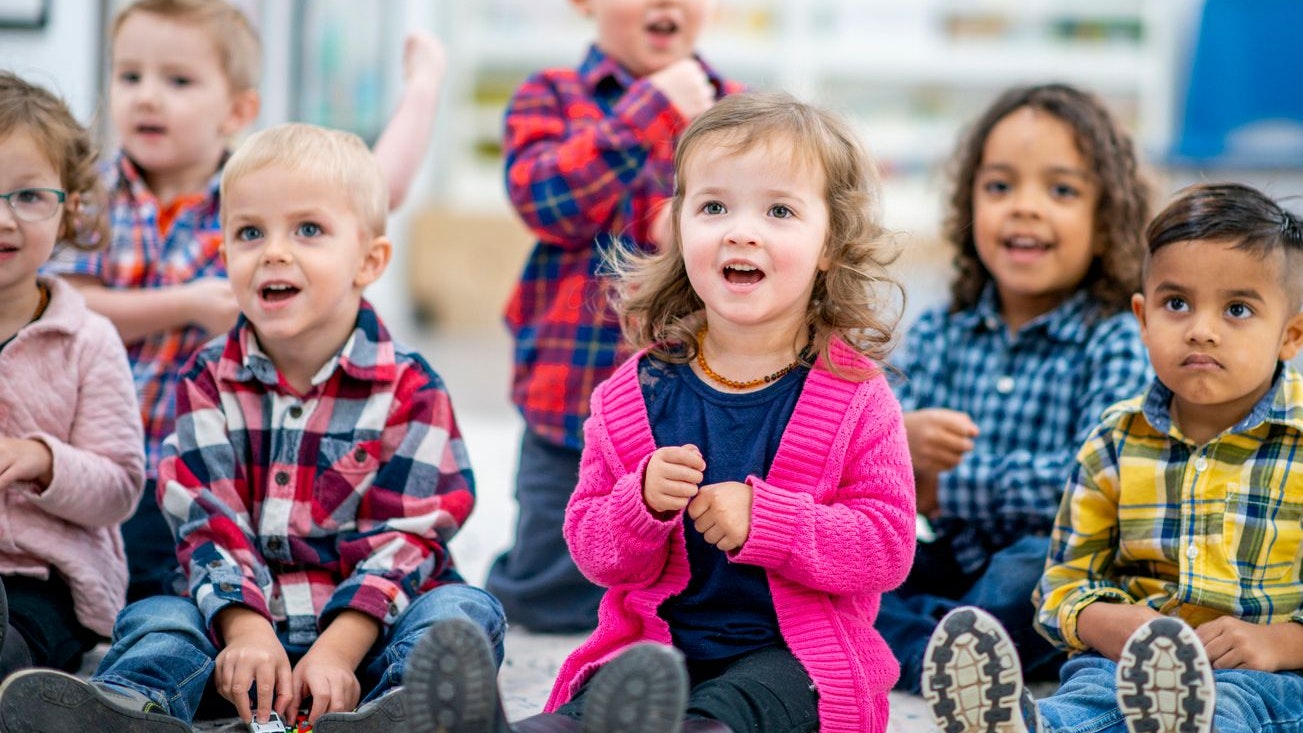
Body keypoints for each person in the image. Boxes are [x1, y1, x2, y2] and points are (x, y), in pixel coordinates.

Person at [422, 91, 917, 733]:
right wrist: (641, 505)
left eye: (779, 210)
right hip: (654, 652)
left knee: (750, 702)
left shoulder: (856, 396)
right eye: (714, 207)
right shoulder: (634, 394)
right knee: (591, 708)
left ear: (831, 243)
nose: (741, 231)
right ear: (679, 228)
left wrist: (771, 522)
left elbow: (887, 546)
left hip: (793, 657)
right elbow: (592, 548)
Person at [0, 123, 506, 733]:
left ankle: (407, 708)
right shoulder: (206, 379)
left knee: (463, 611)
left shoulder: (410, 387)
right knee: (156, 617)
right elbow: (207, 523)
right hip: (230, 637)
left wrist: (340, 650)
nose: (274, 252)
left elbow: (411, 537)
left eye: (308, 230)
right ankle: (134, 707)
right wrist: (247, 632)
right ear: (226, 258)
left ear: (369, 261)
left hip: (371, 633)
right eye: (249, 233)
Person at [41, 0, 448, 602]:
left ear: (237, 111)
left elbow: (374, 190)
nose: (146, 97)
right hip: (103, 460)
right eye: (129, 76)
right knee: (82, 584)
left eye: (178, 81)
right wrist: (186, 304)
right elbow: (69, 302)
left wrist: (422, 90)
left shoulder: (257, 197)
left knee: (187, 587)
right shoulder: (94, 194)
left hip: (218, 470)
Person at [920, 182, 1303, 733]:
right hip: (1126, 662)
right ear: (1143, 319)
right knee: (1086, 700)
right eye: (1177, 304)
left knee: (1229, 710)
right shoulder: (1115, 440)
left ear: (1290, 335)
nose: (1201, 330)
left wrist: (1280, 642)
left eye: (1237, 309)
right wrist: (1100, 619)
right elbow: (1062, 581)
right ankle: (1023, 726)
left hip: (1264, 673)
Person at [880, 83, 1155, 692]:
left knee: (1025, 575)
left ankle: (937, 646)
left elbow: (1091, 483)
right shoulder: (941, 329)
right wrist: (901, 439)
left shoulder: (1115, 337)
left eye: (1062, 190)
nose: (1025, 208)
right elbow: (870, 454)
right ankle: (947, 650)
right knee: (851, 568)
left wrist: (943, 485)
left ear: (1106, 221)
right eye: (1000, 187)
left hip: (1060, 565)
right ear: (969, 204)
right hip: (953, 556)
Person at [487, 0, 746, 633]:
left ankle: (656, 622)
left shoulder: (738, 111)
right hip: (570, 397)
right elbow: (547, 202)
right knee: (550, 587)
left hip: (698, 400)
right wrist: (652, 107)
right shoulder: (551, 96)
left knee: (698, 570)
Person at [0, 72, 144, 682]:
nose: (4, 219)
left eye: (28, 196)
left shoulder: (89, 339)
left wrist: (42, 460)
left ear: (70, 210)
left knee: (18, 641)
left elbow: (120, 486)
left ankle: (20, 692)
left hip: (48, 579)